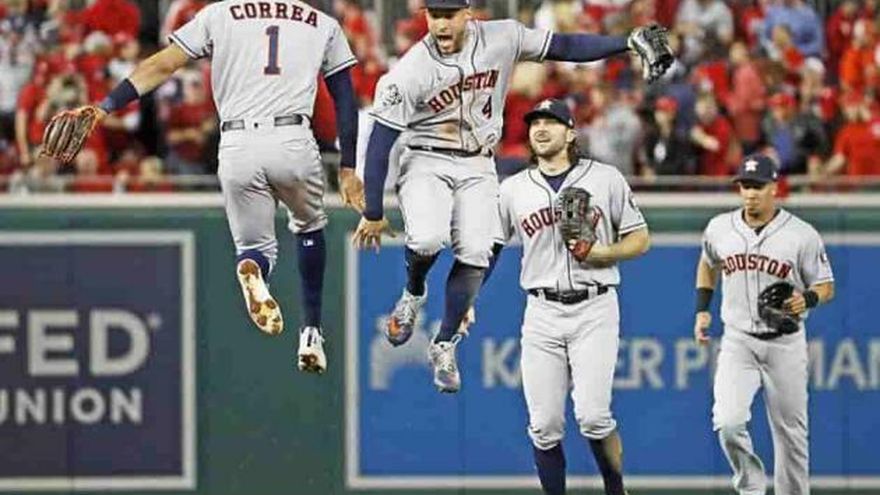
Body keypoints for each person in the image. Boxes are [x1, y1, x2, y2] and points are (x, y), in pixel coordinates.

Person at [351, 0, 671, 393]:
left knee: (477, 252)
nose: (441, 24)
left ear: (468, 13)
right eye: (435, 15)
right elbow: (381, 141)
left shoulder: (502, 37)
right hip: (426, 157)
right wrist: (372, 210)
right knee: (428, 239)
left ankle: (444, 342)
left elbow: (564, 46)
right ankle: (413, 292)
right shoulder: (410, 70)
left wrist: (625, 42)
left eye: (449, 15)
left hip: (479, 161)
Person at [51, 0, 365, 373]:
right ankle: (311, 333)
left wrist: (106, 105)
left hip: (236, 143)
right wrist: (348, 167)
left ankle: (252, 267)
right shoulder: (320, 21)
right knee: (309, 227)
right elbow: (345, 100)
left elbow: (162, 65)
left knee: (254, 248)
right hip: (292, 138)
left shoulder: (220, 13)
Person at [492, 99, 649, 495]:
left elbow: (640, 238)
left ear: (571, 133)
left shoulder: (605, 178)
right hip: (541, 310)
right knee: (544, 425)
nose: (541, 129)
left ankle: (616, 489)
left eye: (551, 122)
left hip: (595, 305)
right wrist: (464, 304)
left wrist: (603, 253)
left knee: (593, 417)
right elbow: (487, 249)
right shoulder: (513, 189)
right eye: (535, 123)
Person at [694, 154, 835, 494]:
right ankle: (751, 488)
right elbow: (707, 263)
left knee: (791, 435)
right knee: (728, 423)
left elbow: (826, 285)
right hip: (738, 340)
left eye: (757, 186)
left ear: (774, 187)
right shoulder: (720, 227)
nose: (750, 193)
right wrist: (702, 309)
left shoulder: (801, 234)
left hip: (785, 342)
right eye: (745, 186)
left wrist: (808, 299)